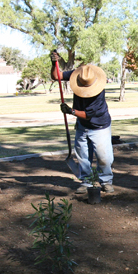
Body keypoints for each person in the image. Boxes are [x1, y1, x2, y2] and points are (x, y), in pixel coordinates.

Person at [50, 52, 115, 194]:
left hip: (99, 126)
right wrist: (53, 63)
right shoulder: (78, 75)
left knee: (104, 156)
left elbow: (87, 115)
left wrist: (70, 111)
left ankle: (106, 181)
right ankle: (87, 181)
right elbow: (57, 76)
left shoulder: (98, 93)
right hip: (82, 125)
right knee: (83, 155)